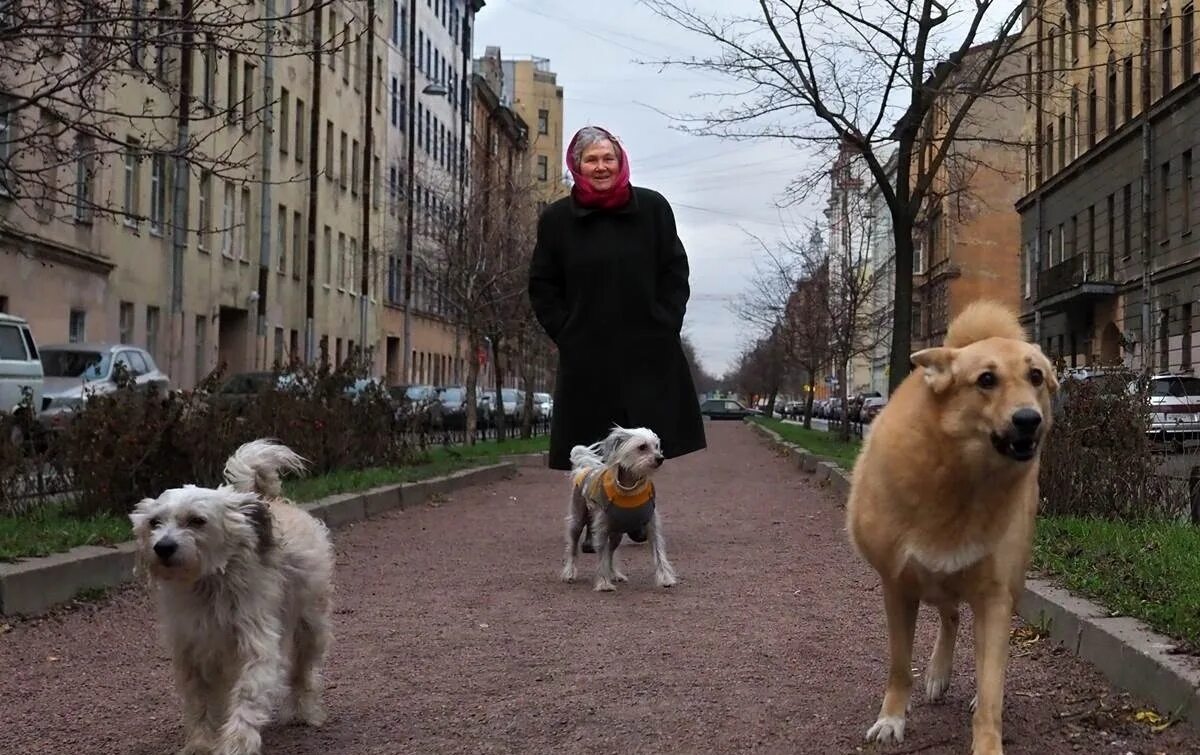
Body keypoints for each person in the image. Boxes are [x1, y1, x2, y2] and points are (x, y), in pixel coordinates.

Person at [528, 125, 707, 546]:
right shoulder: (556, 220)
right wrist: (564, 330)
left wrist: (667, 320)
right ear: (576, 167)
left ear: (620, 160)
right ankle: (594, 519)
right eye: (590, 160)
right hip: (587, 351)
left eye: (607, 158)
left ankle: (639, 512)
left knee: (643, 439)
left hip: (647, 346)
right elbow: (542, 284)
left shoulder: (653, 208)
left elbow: (674, 269)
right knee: (591, 441)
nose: (600, 166)